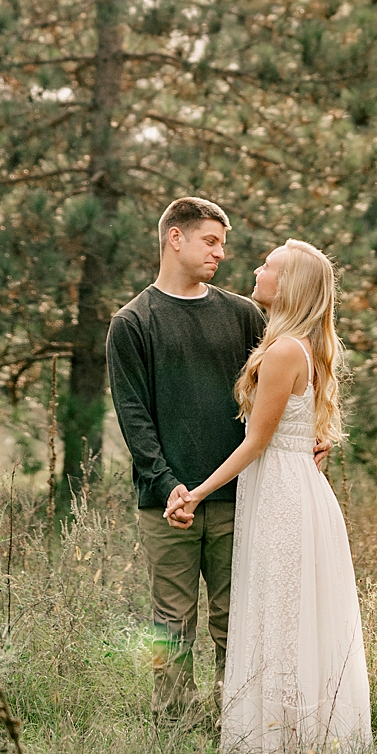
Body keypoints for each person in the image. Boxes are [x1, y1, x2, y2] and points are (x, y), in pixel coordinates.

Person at [166, 238, 372, 754]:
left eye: (268, 266)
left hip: (282, 491)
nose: (255, 269)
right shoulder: (300, 343)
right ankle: (300, 737)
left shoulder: (284, 351)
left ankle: (280, 744)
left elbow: (255, 442)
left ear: (289, 287)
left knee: (278, 613)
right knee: (285, 613)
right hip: (291, 484)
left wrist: (195, 492)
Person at [106, 196, 264, 725]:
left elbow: (275, 391)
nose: (220, 253)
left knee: (232, 617)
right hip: (165, 502)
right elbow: (133, 415)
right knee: (169, 619)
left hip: (236, 495)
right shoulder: (132, 323)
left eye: (223, 244)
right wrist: (168, 482)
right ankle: (172, 720)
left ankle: (233, 718)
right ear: (176, 238)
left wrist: (312, 433)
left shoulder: (243, 315)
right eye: (210, 241)